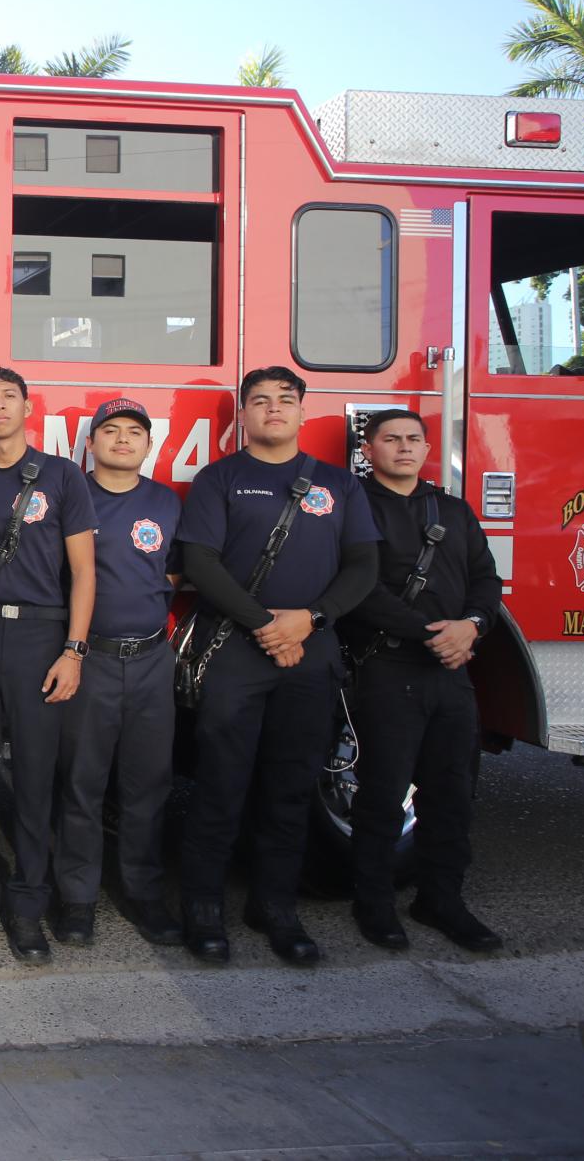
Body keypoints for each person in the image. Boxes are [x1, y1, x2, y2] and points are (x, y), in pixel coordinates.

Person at [176, 366, 380, 966]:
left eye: (284, 401)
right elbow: (202, 564)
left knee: (291, 788)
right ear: (242, 414)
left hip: (310, 654)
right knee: (220, 785)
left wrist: (310, 620)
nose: (272, 410)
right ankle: (204, 908)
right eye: (259, 401)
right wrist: (268, 624)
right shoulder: (220, 479)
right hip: (236, 651)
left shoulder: (338, 486)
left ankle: (275, 907)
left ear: (301, 411)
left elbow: (363, 567)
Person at [340, 409, 504, 953]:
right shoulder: (353, 506)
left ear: (427, 448)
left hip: (452, 671)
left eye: (413, 439)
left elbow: (485, 577)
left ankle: (441, 899)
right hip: (388, 668)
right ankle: (374, 904)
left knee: (452, 793)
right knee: (383, 795)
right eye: (391, 439)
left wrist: (472, 627)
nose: (404, 448)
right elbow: (357, 585)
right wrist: (429, 631)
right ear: (370, 447)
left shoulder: (452, 510)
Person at [0, 368, 96, 962]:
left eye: (8, 396)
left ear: (28, 408)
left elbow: (84, 572)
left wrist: (74, 650)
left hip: (42, 635)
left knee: (37, 781)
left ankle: (30, 904)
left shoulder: (61, 476)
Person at [65, 398, 184, 948]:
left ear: (149, 444)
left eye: (134, 432)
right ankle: (78, 899)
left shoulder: (167, 502)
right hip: (91, 661)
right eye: (109, 431)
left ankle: (143, 892)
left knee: (148, 784)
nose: (121, 440)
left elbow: (179, 574)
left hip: (151, 662)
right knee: (82, 785)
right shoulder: (72, 497)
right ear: (89, 443)